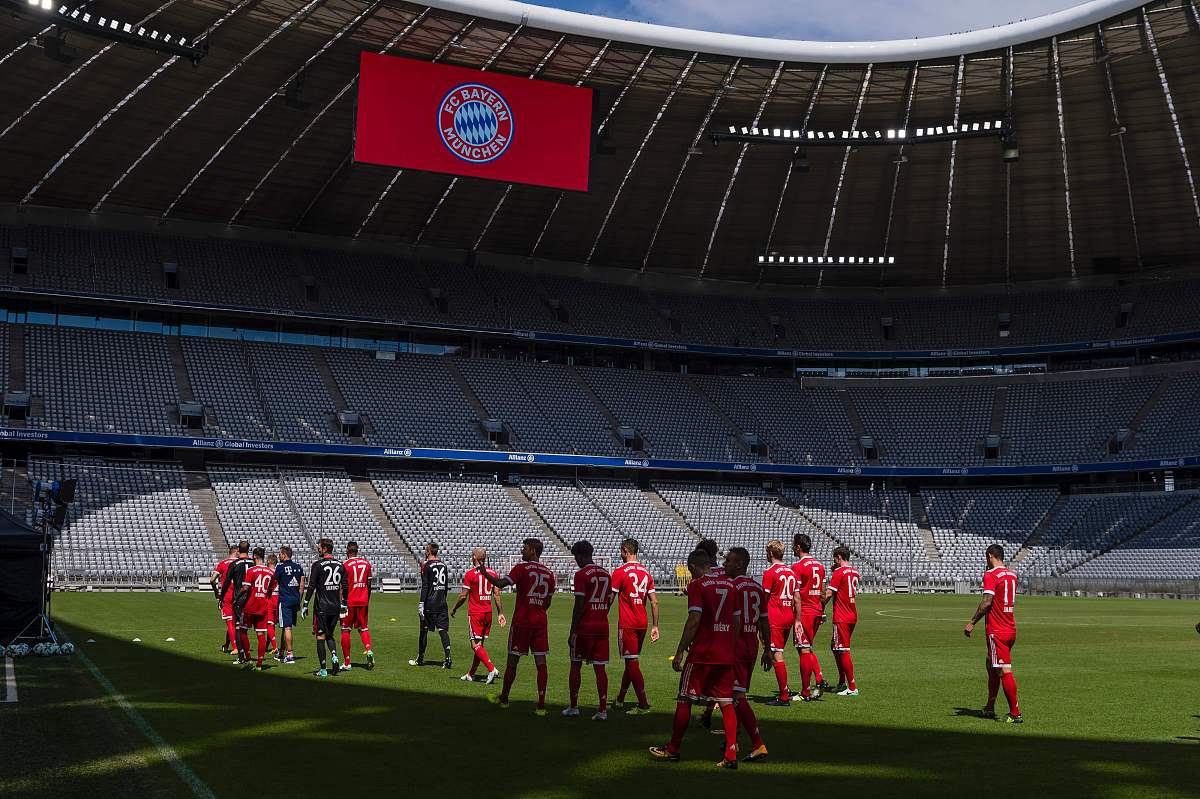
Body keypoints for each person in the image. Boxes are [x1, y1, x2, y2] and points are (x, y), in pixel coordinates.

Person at [649, 549, 740, 769]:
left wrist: (680, 650)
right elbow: (736, 622)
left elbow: (694, 619)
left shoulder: (697, 586)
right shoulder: (730, 585)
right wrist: (731, 646)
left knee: (685, 698)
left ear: (692, 568)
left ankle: (673, 749)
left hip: (702, 653)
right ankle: (731, 755)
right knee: (727, 703)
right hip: (725, 652)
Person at [477, 538, 556, 715]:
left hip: (522, 622)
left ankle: (504, 699)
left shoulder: (521, 568)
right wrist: (538, 610)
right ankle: (541, 706)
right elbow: (548, 601)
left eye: (525, 548)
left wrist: (484, 572)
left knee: (513, 660)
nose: (522, 551)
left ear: (533, 551)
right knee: (541, 663)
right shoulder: (549, 573)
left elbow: (499, 584)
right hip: (540, 622)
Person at [964, 544, 1022, 723]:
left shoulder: (990, 575)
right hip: (1010, 628)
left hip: (997, 630)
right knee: (991, 664)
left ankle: (1015, 713)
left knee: (1004, 670)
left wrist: (972, 622)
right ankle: (989, 707)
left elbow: (987, 602)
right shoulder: (1012, 575)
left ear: (990, 556)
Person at [726, 547, 771, 763]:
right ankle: (732, 739)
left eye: (729, 561)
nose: (725, 564)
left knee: (737, 696)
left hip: (735, 646)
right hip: (751, 646)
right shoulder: (757, 587)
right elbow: (764, 620)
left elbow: (731, 620)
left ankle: (758, 743)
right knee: (736, 693)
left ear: (740, 564)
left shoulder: (731, 587)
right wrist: (768, 649)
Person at [610, 537, 660, 714]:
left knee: (632, 663)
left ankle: (643, 704)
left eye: (620, 551)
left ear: (625, 550)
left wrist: (602, 614)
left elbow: (610, 597)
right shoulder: (646, 573)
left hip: (628, 623)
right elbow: (654, 602)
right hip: (643, 623)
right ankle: (621, 699)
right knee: (630, 662)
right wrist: (655, 626)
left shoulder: (620, 571)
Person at [565, 541, 612, 721]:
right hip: (602, 626)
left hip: (585, 627)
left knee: (575, 664)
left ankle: (574, 707)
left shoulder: (581, 574)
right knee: (600, 668)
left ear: (580, 556)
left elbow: (579, 605)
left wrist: (573, 630)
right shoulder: (606, 574)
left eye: (575, 557)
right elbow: (607, 601)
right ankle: (602, 710)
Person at [451, 547, 505, 683]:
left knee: (475, 645)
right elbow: (497, 594)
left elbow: (463, 596)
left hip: (476, 613)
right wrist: (501, 613)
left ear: (475, 557)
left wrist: (454, 608)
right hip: (488, 613)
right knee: (480, 645)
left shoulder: (470, 574)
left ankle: (492, 669)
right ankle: (470, 674)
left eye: (472, 555)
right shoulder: (492, 573)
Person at [302, 538, 348, 678]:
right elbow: (345, 585)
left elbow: (312, 586)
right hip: (335, 607)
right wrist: (344, 603)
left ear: (325, 549)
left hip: (322, 607)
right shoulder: (341, 565)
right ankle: (334, 656)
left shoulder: (317, 565)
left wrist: (305, 603)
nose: (318, 549)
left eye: (319, 547)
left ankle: (323, 669)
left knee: (320, 636)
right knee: (330, 635)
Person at [791, 533, 828, 701]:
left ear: (798, 547)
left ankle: (805, 692)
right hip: (817, 610)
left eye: (794, 545)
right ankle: (819, 679)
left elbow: (796, 594)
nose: (792, 547)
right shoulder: (820, 566)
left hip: (804, 611)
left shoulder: (797, 566)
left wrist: (796, 617)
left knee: (803, 650)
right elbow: (822, 592)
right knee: (807, 648)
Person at [761, 540, 796, 705]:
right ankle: (785, 689)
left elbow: (764, 599)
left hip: (775, 616)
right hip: (789, 615)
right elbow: (796, 598)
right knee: (778, 652)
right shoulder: (791, 571)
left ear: (770, 554)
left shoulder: (770, 572)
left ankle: (783, 696)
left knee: (777, 655)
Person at [822, 547, 860, 697]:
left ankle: (852, 687)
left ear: (838, 557)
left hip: (842, 616)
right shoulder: (855, 571)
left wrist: (819, 605)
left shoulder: (838, 572)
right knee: (835, 646)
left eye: (834, 558)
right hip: (852, 614)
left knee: (843, 649)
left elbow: (829, 594)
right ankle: (842, 682)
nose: (833, 561)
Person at [410, 543, 452, 669]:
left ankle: (420, 658)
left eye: (426, 550)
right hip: (442, 603)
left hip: (430, 603)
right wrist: (443, 599)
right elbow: (445, 587)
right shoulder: (444, 565)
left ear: (428, 552)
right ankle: (448, 657)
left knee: (423, 630)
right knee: (443, 630)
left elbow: (426, 586)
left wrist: (422, 603)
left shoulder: (425, 565)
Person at [237, 548, 276, 671]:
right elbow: (270, 589)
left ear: (254, 556)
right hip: (262, 606)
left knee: (242, 630)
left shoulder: (251, 570)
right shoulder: (270, 572)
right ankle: (259, 664)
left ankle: (248, 659)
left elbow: (245, 588)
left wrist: (237, 598)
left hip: (250, 605)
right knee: (261, 634)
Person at [218, 541, 255, 664]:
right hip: (252, 599)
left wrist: (221, 597)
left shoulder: (234, 564)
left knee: (238, 627)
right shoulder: (254, 563)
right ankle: (251, 655)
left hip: (239, 599)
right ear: (249, 549)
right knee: (253, 629)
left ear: (239, 549)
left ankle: (241, 656)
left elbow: (227, 582)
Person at [341, 541, 375, 671]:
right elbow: (369, 584)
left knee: (345, 629)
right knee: (363, 628)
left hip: (350, 601)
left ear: (347, 551)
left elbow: (343, 586)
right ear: (357, 550)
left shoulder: (345, 565)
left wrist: (342, 602)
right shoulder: (366, 563)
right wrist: (367, 599)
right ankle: (368, 649)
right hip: (363, 600)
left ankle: (347, 662)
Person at [273, 545, 305, 664]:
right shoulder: (298, 567)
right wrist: (299, 601)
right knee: (285, 626)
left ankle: (290, 654)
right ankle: (281, 652)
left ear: (284, 554)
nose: (279, 555)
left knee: (287, 627)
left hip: (285, 600)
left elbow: (273, 581)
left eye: (280, 554)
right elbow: (301, 586)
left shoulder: (280, 567)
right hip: (295, 599)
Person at [210, 544, 238, 654]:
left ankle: (235, 647)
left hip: (226, 596)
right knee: (234, 623)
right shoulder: (241, 563)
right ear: (236, 552)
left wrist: (216, 592)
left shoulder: (222, 563)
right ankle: (227, 645)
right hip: (239, 596)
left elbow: (212, 580)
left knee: (230, 622)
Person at [265, 553, 280, 656]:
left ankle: (275, 647)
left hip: (271, 598)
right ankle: (267, 645)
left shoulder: (268, 572)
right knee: (272, 623)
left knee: (269, 624)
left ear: (270, 562)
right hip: (279, 598)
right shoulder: (279, 572)